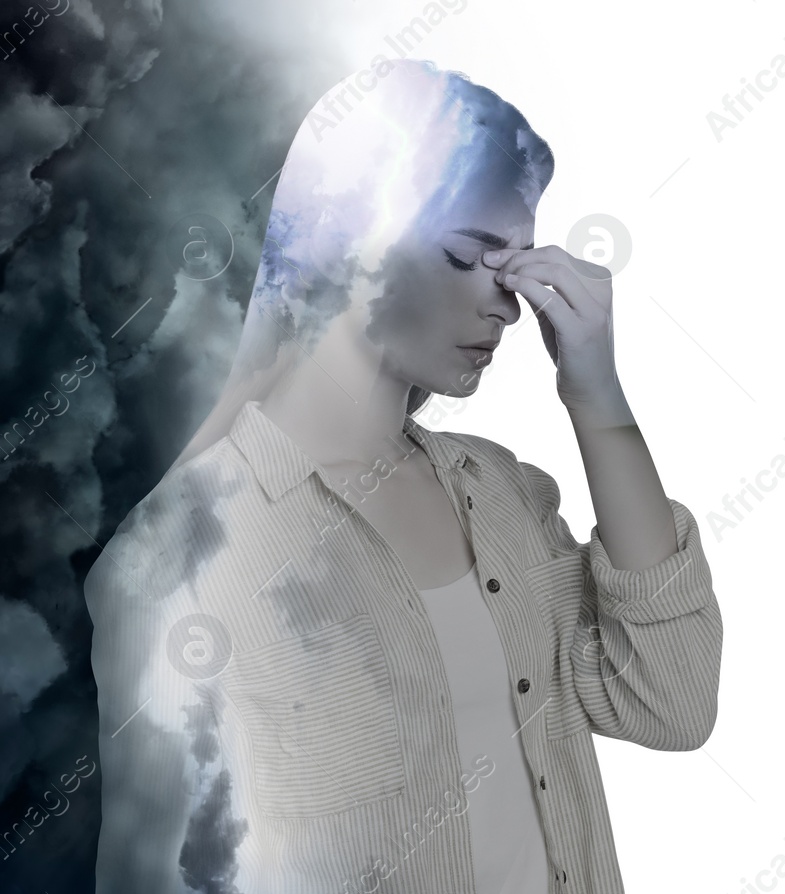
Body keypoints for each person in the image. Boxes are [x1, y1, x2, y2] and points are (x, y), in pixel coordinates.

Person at [83, 59, 722, 894]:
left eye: (520, 265)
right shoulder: (187, 555)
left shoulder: (505, 497)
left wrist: (596, 398)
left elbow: (671, 704)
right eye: (470, 255)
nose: (509, 301)